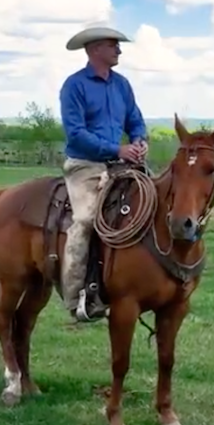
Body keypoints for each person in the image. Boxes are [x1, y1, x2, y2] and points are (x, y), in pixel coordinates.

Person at [58, 26, 148, 322]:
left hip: (122, 164)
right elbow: (76, 134)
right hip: (85, 165)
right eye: (113, 46)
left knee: (153, 205)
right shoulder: (74, 86)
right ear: (95, 49)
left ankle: (139, 283)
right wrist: (116, 149)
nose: (119, 50)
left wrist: (138, 142)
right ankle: (76, 300)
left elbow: (135, 119)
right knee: (85, 220)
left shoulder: (122, 85)